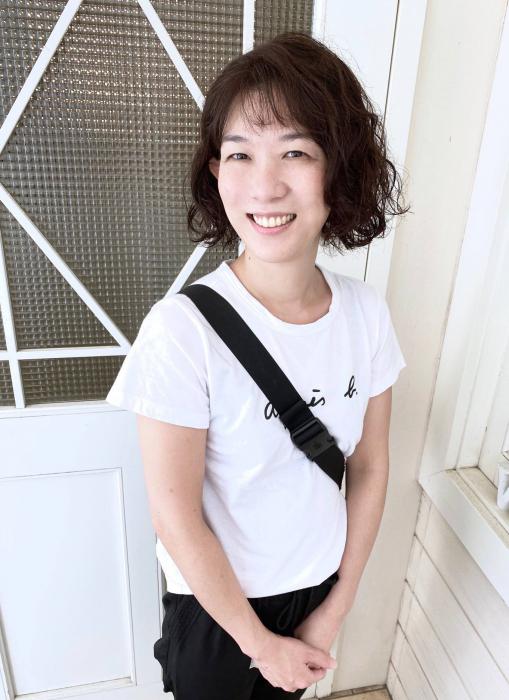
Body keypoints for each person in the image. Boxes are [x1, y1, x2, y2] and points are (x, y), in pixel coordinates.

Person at [106, 31, 409, 700]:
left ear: (338, 169)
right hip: (218, 611)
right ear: (217, 171)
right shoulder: (181, 331)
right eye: (240, 153)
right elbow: (174, 513)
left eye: (295, 151)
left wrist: (334, 609)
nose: (265, 186)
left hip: (317, 592)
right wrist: (259, 645)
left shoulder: (366, 315)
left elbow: (369, 466)